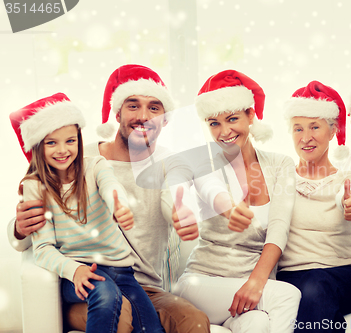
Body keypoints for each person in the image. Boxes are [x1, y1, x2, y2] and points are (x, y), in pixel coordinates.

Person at [7, 65, 210, 333]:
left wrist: (181, 212)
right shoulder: (79, 157)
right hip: (88, 284)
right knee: (119, 314)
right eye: (133, 105)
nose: (143, 116)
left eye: (154, 108)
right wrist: (18, 228)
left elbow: (172, 197)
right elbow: (33, 234)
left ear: (165, 119)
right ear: (117, 112)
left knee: (193, 321)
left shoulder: (167, 163)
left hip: (143, 287)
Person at [9, 93, 164, 333]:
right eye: (51, 143)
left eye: (70, 141)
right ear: (38, 146)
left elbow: (111, 186)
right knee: (104, 293)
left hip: (122, 271)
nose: (62, 150)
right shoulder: (34, 186)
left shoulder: (96, 166)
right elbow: (42, 249)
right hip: (78, 269)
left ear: (79, 140)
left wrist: (118, 205)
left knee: (151, 328)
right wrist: (75, 271)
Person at [173, 69, 301, 333]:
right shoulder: (204, 161)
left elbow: (279, 227)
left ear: (251, 115)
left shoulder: (281, 164)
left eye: (232, 119)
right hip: (202, 283)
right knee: (288, 296)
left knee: (258, 322)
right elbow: (211, 188)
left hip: (247, 291)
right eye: (214, 123)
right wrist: (229, 208)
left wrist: (255, 282)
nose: (224, 132)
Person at [276, 81, 351, 332]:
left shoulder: (349, 179)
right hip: (291, 276)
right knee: (309, 289)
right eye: (298, 129)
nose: (305, 137)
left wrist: (350, 202)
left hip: (343, 273)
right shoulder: (279, 181)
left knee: (316, 287)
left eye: (315, 127)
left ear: (332, 131)